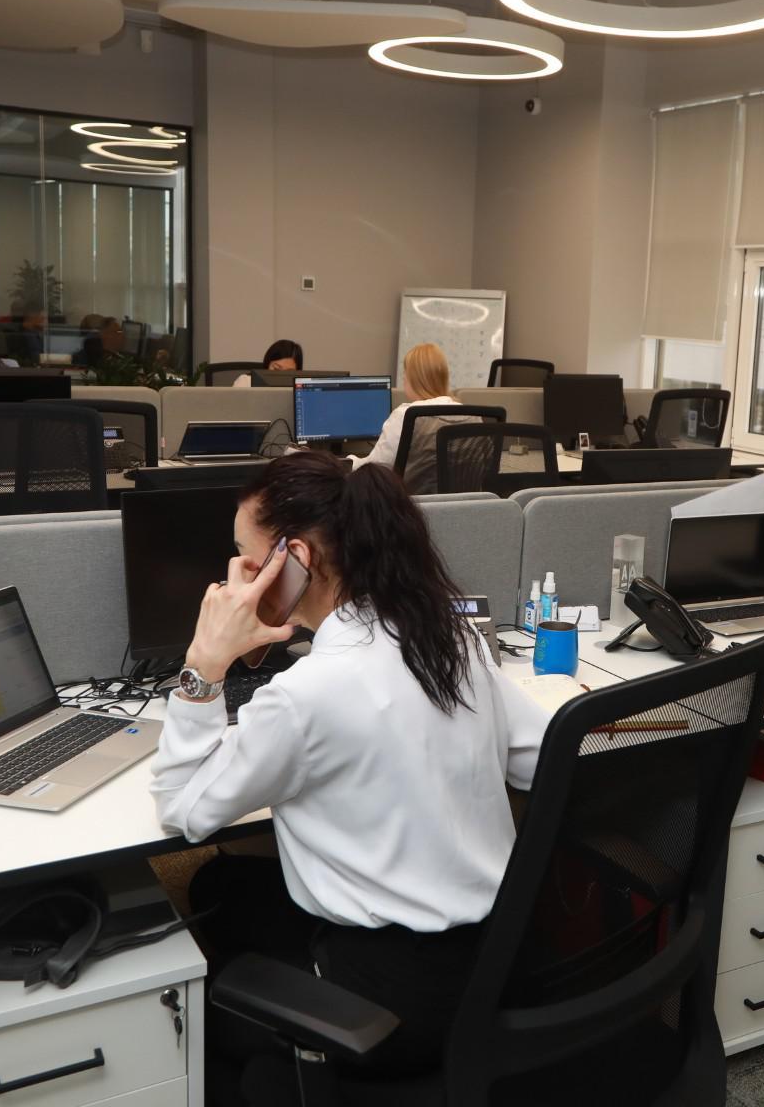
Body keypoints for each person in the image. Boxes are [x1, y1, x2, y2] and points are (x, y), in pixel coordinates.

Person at [149, 452, 544, 1098]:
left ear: (298, 558)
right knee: (221, 882)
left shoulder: (307, 695)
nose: (234, 581)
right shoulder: (449, 639)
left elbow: (182, 808)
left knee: (196, 1012)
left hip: (391, 1006)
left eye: (246, 560)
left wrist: (205, 662)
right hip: (497, 958)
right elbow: (538, 757)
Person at [351, 342, 459, 484]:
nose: (404, 378)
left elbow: (376, 467)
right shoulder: (471, 416)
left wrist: (349, 461)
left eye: (406, 373)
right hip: (464, 497)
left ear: (415, 379)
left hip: (411, 497)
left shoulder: (407, 415)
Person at [232, 338, 304, 387]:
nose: (281, 376)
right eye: (276, 369)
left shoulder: (301, 388)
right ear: (267, 364)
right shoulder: (246, 382)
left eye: (289, 372)